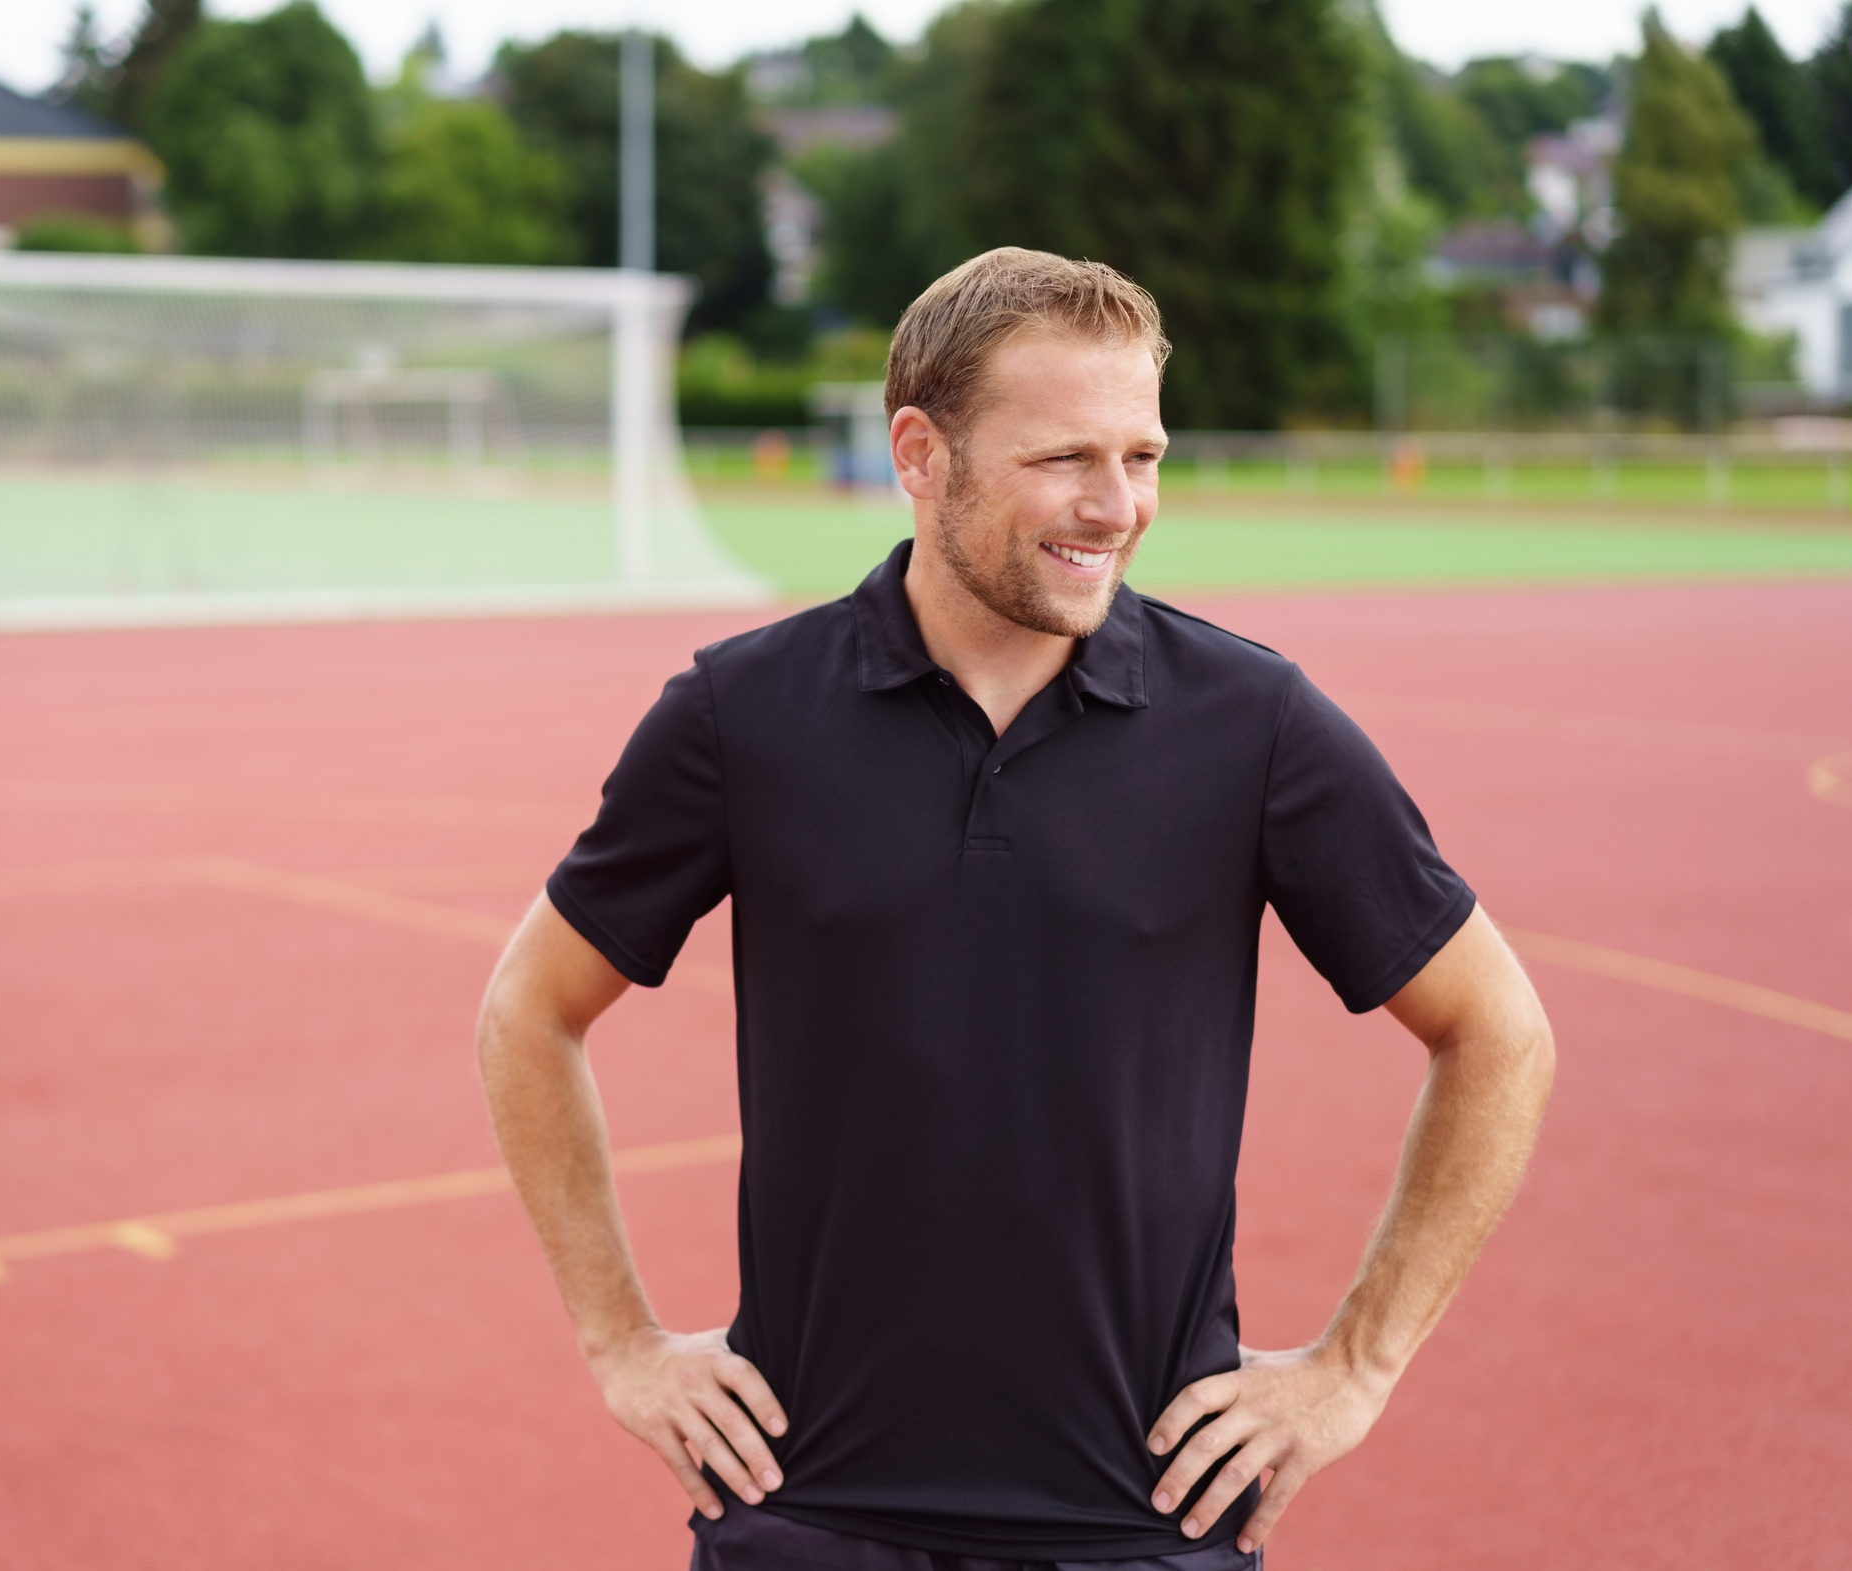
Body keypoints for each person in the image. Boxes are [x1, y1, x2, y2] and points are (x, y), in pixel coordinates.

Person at [475, 248, 1555, 1569]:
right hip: (812, 1512)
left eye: (1144, 456)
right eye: (1066, 460)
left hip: (1142, 1522)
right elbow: (531, 1007)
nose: (1119, 505)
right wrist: (620, 1342)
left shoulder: (1255, 727)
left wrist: (1355, 1367)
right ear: (921, 455)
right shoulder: (739, 718)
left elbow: (1498, 1029)